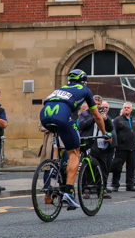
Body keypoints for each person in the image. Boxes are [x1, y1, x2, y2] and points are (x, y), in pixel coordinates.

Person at [39, 69, 107, 210]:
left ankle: (57, 168)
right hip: (62, 114)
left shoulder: (60, 88)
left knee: (65, 145)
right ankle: (69, 191)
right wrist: (105, 132)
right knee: (75, 152)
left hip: (45, 115)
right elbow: (97, 116)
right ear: (84, 81)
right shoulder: (85, 90)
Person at [78, 96, 115, 198]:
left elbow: (110, 127)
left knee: (103, 168)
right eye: (95, 104)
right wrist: (95, 118)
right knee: (88, 169)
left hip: (102, 144)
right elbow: (82, 125)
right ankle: (86, 189)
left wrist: (105, 119)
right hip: (90, 143)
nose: (97, 106)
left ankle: (101, 190)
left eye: (99, 104)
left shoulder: (104, 115)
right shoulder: (85, 114)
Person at [112, 102, 135, 192]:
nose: (126, 109)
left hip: (132, 148)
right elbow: (114, 133)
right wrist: (114, 145)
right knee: (118, 168)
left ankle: (130, 185)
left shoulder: (134, 120)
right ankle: (115, 185)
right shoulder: (117, 120)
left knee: (131, 168)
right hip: (121, 148)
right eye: (125, 107)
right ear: (123, 109)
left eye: (128, 108)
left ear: (131, 110)